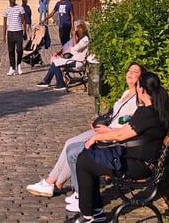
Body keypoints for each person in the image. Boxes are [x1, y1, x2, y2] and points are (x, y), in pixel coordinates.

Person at [27, 61, 143, 199]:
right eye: (129, 70)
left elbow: (130, 123)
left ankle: (51, 182)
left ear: (141, 78)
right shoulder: (126, 93)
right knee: (69, 143)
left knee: (74, 148)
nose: (130, 74)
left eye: (135, 72)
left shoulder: (138, 99)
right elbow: (114, 114)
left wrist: (108, 129)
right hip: (106, 129)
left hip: (111, 135)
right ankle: (54, 182)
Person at [72, 69, 169, 223]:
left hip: (138, 166)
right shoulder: (159, 110)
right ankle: (96, 211)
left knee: (84, 161)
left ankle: (87, 215)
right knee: (88, 157)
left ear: (141, 89)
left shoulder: (147, 113)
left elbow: (121, 135)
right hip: (141, 160)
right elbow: (125, 132)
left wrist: (96, 137)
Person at [35, 20, 89, 90]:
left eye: (76, 31)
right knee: (55, 61)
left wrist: (74, 37)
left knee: (55, 63)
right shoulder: (79, 39)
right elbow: (68, 47)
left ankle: (59, 83)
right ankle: (48, 81)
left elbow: (75, 48)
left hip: (77, 62)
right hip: (73, 59)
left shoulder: (85, 40)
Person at [2, 0, 26, 76]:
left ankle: (19, 65)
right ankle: (12, 67)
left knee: (19, 50)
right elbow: (4, 23)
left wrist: (25, 31)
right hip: (10, 32)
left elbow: (23, 20)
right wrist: (4, 36)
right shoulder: (6, 10)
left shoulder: (20, 8)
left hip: (19, 31)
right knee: (11, 51)